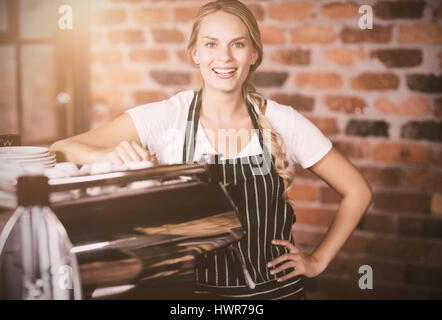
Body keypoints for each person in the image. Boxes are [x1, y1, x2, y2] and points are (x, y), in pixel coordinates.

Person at [51, 0, 373, 300]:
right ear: (194, 53)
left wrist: (316, 261)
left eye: (238, 44)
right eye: (211, 44)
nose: (225, 58)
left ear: (254, 54)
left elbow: (357, 191)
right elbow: (62, 148)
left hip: (275, 295)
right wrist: (105, 156)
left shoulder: (282, 120)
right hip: (188, 296)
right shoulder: (168, 117)